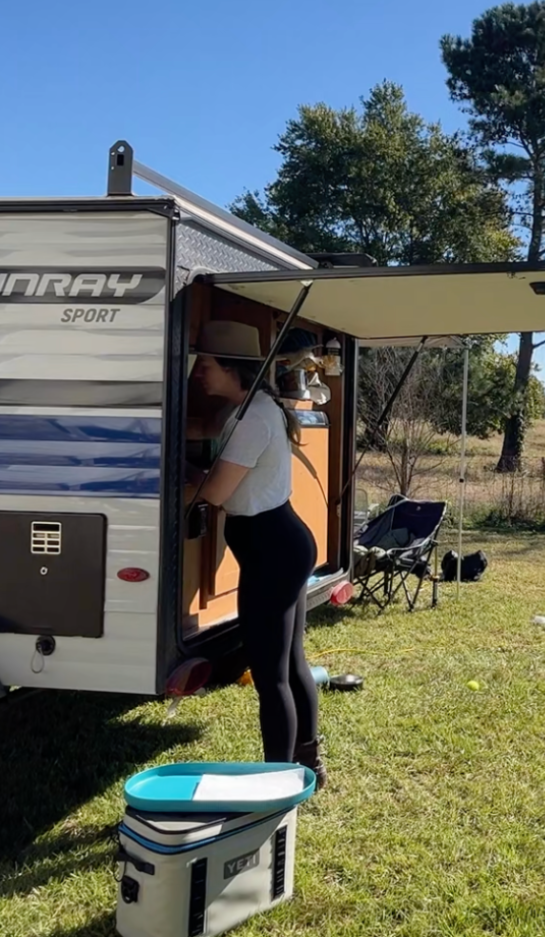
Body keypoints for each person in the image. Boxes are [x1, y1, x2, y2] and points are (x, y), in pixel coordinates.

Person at [188, 320, 326, 789]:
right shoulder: (252, 408)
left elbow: (218, 492)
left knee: (272, 675)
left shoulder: (251, 419)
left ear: (230, 367)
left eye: (204, 364)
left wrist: (186, 476)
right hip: (280, 544)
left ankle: (278, 783)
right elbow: (213, 436)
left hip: (272, 550)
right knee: (290, 663)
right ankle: (309, 765)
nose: (199, 373)